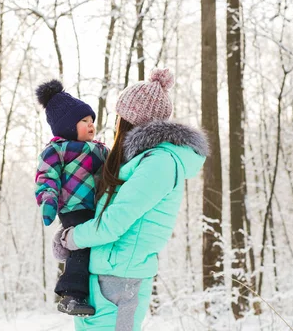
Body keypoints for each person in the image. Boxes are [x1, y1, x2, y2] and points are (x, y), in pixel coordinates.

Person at [58, 68, 208, 330]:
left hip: (120, 282)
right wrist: (68, 236)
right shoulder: (135, 162)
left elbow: (113, 224)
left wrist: (71, 239)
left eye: (119, 117)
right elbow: (101, 216)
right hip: (100, 278)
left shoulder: (160, 163)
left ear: (128, 120)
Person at [34, 79, 109, 317]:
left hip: (97, 207)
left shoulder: (100, 149)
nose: (91, 125)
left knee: (94, 246)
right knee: (81, 247)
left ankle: (91, 291)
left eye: (92, 121)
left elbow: (115, 168)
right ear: (66, 126)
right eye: (84, 121)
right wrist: (48, 201)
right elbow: (47, 176)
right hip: (74, 207)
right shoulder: (57, 150)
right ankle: (71, 296)